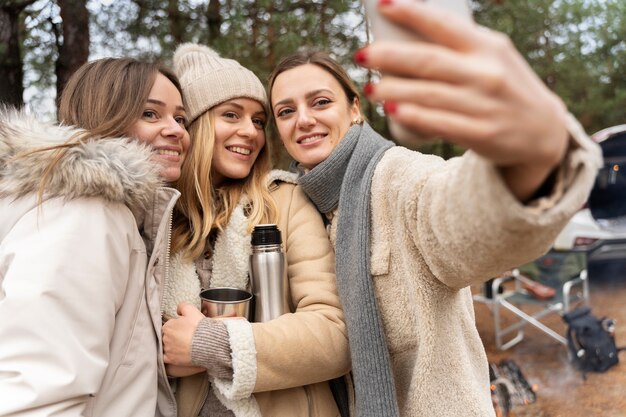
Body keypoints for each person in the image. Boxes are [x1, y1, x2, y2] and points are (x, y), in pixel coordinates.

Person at [267, 2, 602, 417]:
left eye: (319, 102)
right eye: (286, 111)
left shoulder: (396, 176)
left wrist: (529, 159)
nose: (303, 120)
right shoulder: (291, 206)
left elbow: (456, 216)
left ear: (355, 108)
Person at [159, 43, 350, 417]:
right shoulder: (159, 220)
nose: (250, 132)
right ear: (194, 125)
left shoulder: (285, 202)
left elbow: (334, 336)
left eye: (259, 120)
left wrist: (212, 345)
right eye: (231, 115)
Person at [0, 58, 189, 416]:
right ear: (105, 116)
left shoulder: (101, 213)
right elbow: (39, 393)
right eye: (151, 114)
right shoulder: (84, 215)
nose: (176, 129)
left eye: (180, 118)